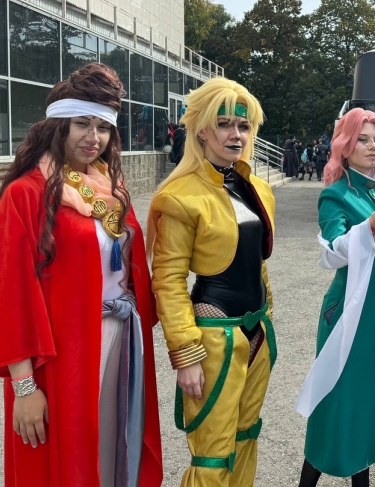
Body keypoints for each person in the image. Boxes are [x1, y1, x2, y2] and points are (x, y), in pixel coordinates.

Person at [0, 63, 163, 486]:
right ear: (59, 125)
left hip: (120, 339)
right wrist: (24, 387)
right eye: (82, 124)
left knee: (112, 449)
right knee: (67, 460)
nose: (94, 137)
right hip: (61, 353)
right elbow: (12, 293)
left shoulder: (112, 190)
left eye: (103, 127)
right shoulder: (25, 194)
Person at [147, 77, 277, 487]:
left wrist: (268, 314)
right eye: (224, 124)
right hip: (213, 337)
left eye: (243, 126)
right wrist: (185, 353)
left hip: (257, 332)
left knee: (246, 436)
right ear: (201, 130)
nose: (235, 134)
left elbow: (258, 262)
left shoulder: (257, 188)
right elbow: (167, 279)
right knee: (212, 455)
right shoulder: (180, 195)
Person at [295, 108, 375, 487]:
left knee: (365, 405)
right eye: (363, 139)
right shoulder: (335, 194)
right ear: (345, 145)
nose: (373, 147)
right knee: (336, 403)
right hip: (349, 317)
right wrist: (369, 228)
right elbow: (332, 251)